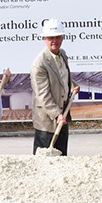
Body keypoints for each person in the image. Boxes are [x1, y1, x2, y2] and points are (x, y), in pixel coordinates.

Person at [30, 19, 79, 156]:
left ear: (62, 37)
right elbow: (43, 95)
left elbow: (61, 75)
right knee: (44, 160)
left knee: (62, 156)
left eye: (58, 37)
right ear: (44, 38)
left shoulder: (62, 54)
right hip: (47, 120)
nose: (54, 41)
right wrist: (57, 114)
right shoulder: (39, 63)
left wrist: (73, 85)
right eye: (51, 37)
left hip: (62, 114)